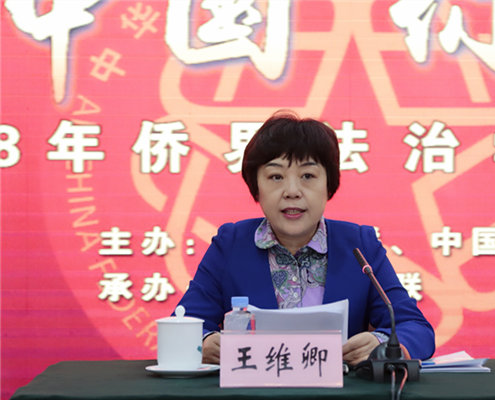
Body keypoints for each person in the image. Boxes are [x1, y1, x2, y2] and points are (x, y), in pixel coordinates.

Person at [175, 110, 435, 366]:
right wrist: (204, 342)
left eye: (308, 176)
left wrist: (381, 343)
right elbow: (183, 324)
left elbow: (415, 328)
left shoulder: (360, 244)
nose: (292, 191)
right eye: (276, 177)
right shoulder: (230, 244)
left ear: (328, 184)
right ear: (256, 186)